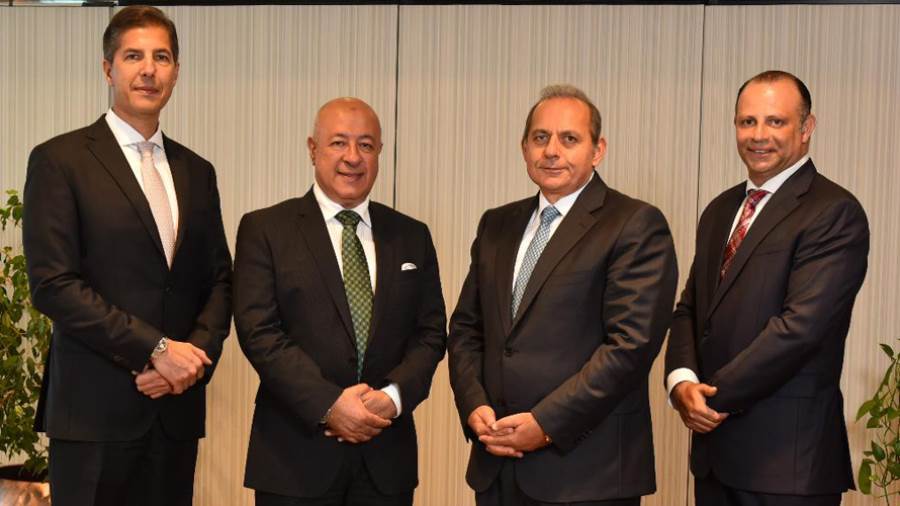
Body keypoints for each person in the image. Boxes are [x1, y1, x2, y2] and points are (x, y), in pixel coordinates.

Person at [22, 6, 232, 506]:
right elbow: (54, 285)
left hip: (175, 412)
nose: (148, 70)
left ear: (176, 71)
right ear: (108, 68)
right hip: (93, 413)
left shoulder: (197, 171)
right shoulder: (60, 160)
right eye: (133, 56)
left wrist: (190, 362)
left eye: (162, 57)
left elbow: (220, 281)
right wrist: (156, 349)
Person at [448, 84, 678, 506]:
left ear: (597, 150)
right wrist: (473, 404)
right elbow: (467, 328)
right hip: (496, 463)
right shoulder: (496, 225)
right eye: (541, 137)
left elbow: (630, 347)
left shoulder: (634, 224)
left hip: (586, 474)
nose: (552, 151)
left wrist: (546, 423)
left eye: (569, 139)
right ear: (524, 148)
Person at [665, 70, 869, 506]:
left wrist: (711, 398)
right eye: (747, 122)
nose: (758, 135)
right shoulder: (719, 210)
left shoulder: (834, 212)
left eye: (775, 121)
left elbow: (800, 329)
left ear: (806, 127)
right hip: (714, 460)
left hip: (787, 465)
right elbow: (690, 309)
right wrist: (681, 385)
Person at [233, 97, 447, 506]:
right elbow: (259, 332)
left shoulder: (411, 236)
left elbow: (431, 333)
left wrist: (393, 398)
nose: (353, 157)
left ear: (380, 153)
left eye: (366, 145)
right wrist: (329, 404)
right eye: (338, 143)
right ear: (313, 149)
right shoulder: (266, 229)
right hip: (294, 458)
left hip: (386, 457)